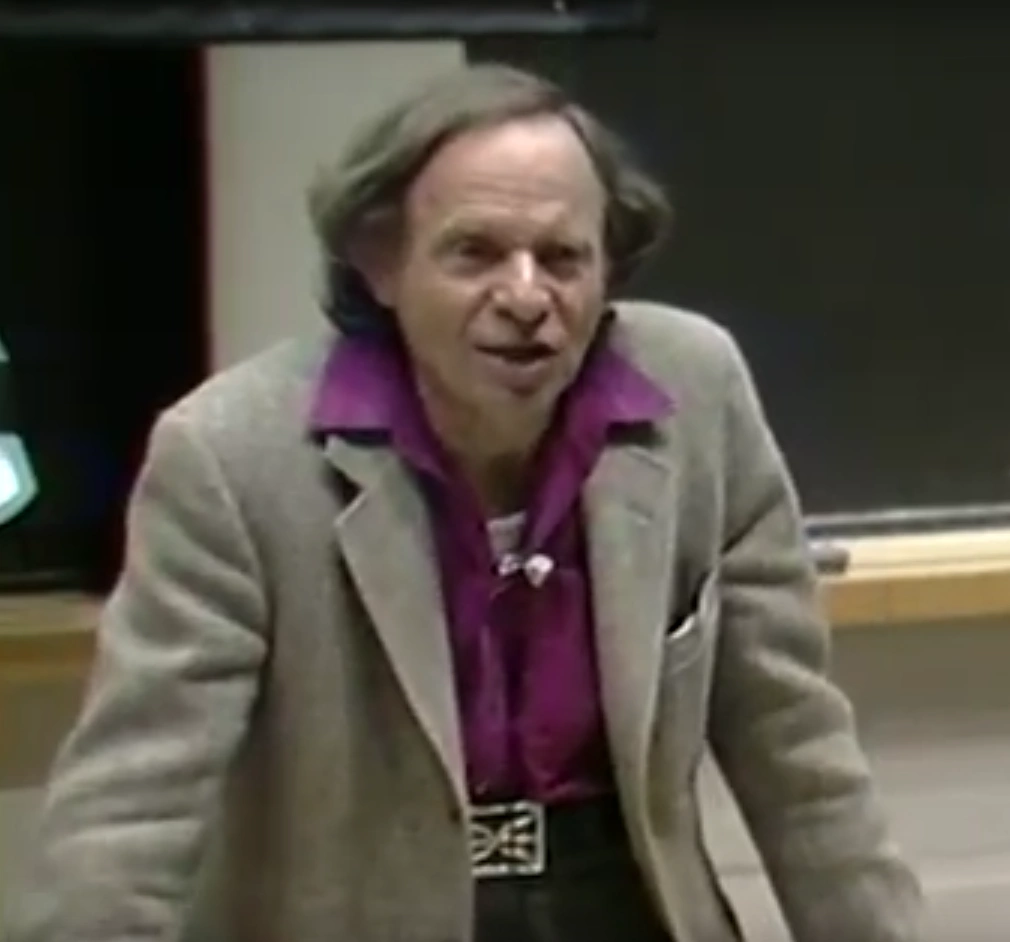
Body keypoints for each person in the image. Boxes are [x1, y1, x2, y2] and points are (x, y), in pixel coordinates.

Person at [5, 63, 923, 942]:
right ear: (380, 264)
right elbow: (133, 806)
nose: (526, 297)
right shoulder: (231, 455)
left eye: (563, 257)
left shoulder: (695, 396)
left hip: (623, 899)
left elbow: (796, 747)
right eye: (475, 253)